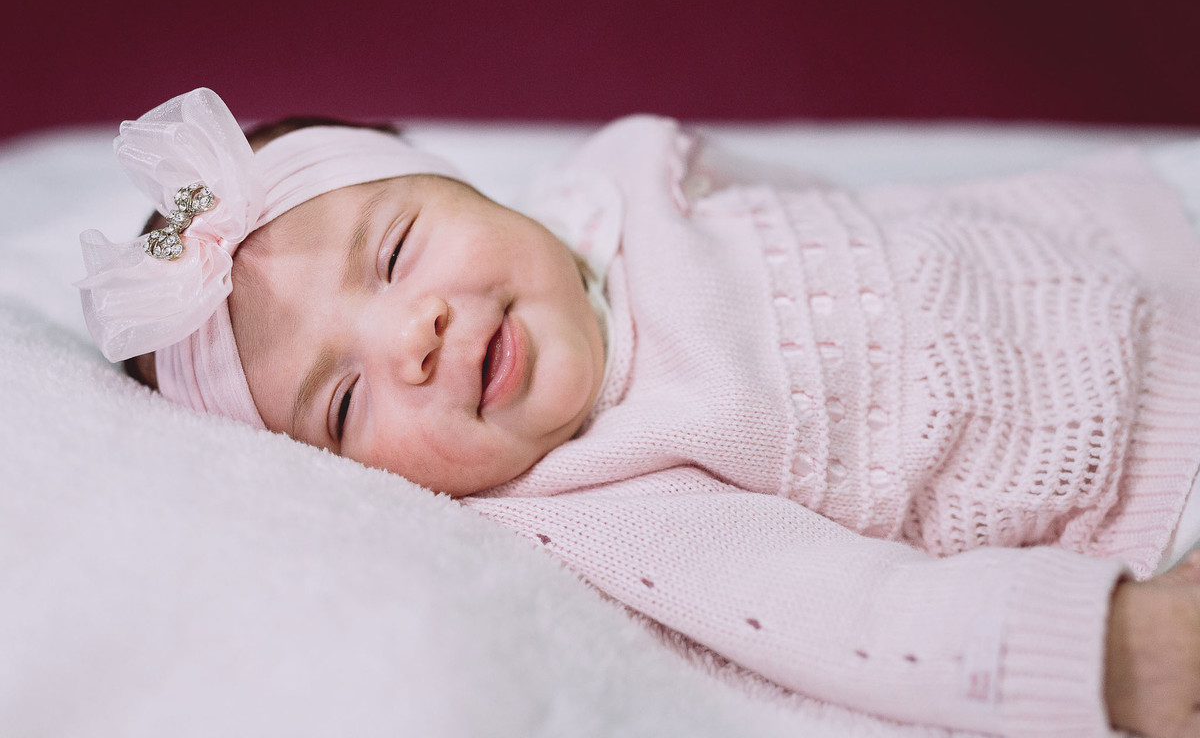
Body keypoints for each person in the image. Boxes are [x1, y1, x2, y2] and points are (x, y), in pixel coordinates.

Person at [77, 88, 1200, 738]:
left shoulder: (632, 169)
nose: (410, 335)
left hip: (1131, 258)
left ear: (458, 179)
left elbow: (861, 210)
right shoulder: (601, 488)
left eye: (399, 250)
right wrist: (1106, 653)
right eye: (346, 399)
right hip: (1148, 491)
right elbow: (837, 610)